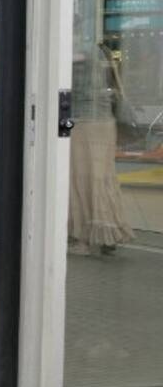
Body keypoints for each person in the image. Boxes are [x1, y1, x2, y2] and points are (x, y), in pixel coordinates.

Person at [68, 40, 134, 255]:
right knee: (103, 178)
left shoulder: (80, 53)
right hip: (105, 120)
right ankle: (108, 233)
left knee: (81, 179)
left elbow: (74, 90)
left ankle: (83, 240)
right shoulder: (101, 52)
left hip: (84, 121)